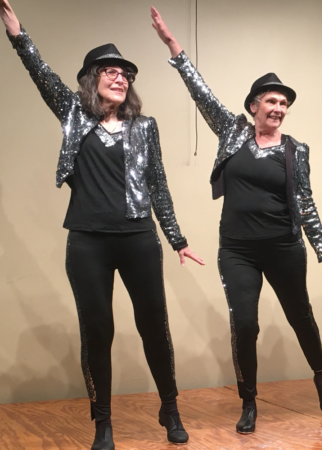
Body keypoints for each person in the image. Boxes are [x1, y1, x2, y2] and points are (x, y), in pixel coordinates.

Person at [1, 1, 205, 448]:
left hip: (137, 238)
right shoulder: (75, 115)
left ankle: (169, 408)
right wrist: (19, 35)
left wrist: (177, 238)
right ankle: (103, 423)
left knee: (154, 323)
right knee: (98, 330)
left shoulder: (144, 127)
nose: (120, 77)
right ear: (92, 79)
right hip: (88, 242)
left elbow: (159, 186)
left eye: (125, 73)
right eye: (110, 71)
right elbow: (43, 76)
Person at [151, 6, 322, 434]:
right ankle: (249, 401)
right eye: (272, 101)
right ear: (254, 105)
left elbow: (306, 203)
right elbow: (200, 92)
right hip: (236, 248)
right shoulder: (233, 131)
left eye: (284, 103)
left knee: (301, 316)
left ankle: (321, 378)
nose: (279, 108)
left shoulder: (296, 150)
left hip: (283, 247)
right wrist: (173, 46)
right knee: (245, 323)